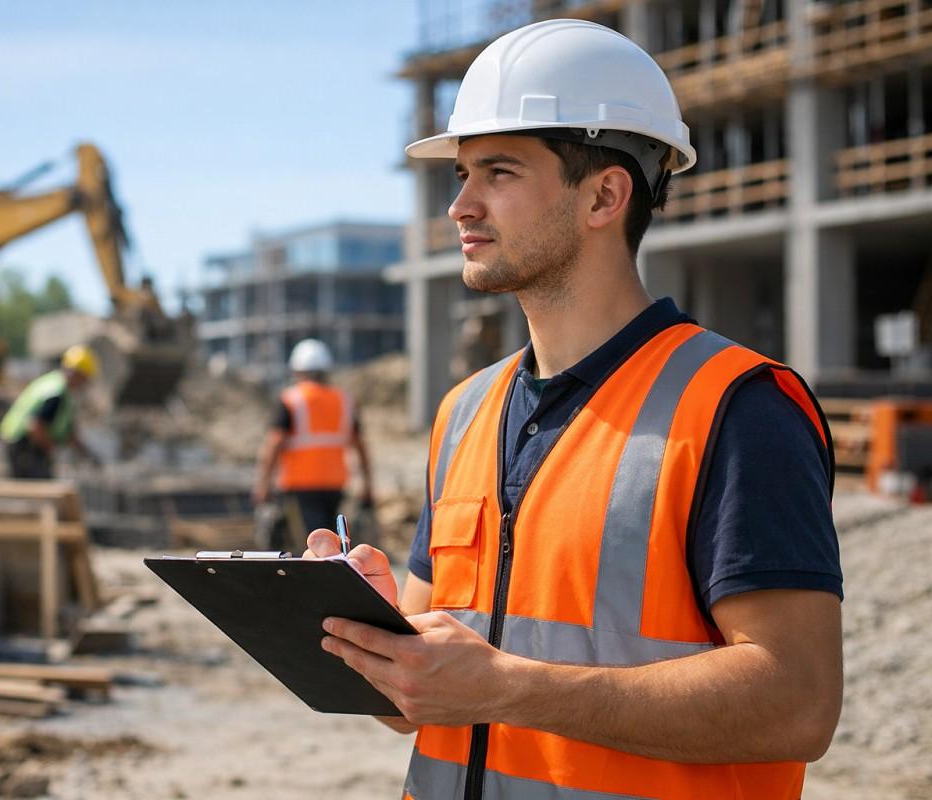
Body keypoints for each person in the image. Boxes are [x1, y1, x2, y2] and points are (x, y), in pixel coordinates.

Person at [306, 20, 843, 800]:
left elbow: (798, 703)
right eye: (461, 174)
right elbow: (417, 703)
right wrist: (369, 625)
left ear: (604, 196)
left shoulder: (736, 408)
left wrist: (509, 687)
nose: (459, 206)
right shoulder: (465, 412)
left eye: (498, 172)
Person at [253, 338, 374, 551]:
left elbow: (274, 444)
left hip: (300, 486)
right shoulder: (344, 400)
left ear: (297, 370)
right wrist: (367, 485)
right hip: (335, 484)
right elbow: (361, 446)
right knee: (331, 543)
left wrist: (263, 484)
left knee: (311, 545)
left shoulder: (291, 399)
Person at [0, 344, 101, 479]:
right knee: (38, 484)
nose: (84, 384)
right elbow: (35, 427)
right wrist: (53, 450)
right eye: (84, 379)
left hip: (29, 445)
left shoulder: (62, 391)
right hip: (23, 445)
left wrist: (86, 453)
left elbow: (68, 433)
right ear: (77, 374)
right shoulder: (55, 393)